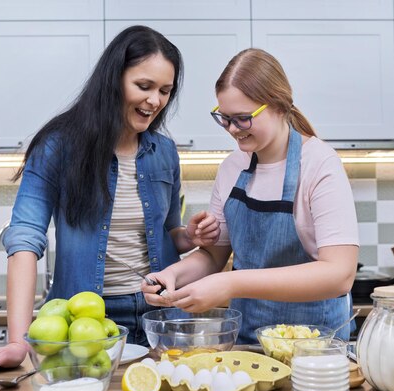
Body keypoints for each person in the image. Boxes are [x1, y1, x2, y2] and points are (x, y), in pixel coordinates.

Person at [0, 25, 219, 369]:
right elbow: (24, 238)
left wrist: (190, 236)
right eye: (143, 86)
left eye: (165, 91)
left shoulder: (165, 152)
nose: (155, 100)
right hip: (87, 321)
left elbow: (170, 230)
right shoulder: (57, 145)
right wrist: (16, 341)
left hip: (161, 313)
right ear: (113, 79)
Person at [142, 48, 359, 344]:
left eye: (243, 118)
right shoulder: (233, 167)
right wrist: (173, 275)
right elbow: (213, 255)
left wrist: (230, 283)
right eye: (225, 118)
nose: (232, 129)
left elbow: (339, 274)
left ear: (279, 106)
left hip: (315, 349)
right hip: (247, 344)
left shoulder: (319, 164)